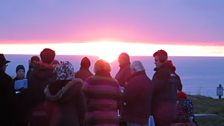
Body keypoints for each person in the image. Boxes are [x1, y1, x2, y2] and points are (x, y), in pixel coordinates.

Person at [44, 61, 86, 126]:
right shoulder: (76, 88)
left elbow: (47, 109)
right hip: (72, 122)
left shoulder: (50, 89)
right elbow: (82, 110)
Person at [83, 59, 122, 126]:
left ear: (96, 68)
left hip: (94, 120)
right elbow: (120, 102)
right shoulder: (115, 83)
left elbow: (83, 99)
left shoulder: (90, 81)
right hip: (111, 120)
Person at [28, 48, 57, 126]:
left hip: (35, 113)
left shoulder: (32, 74)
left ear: (41, 58)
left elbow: (30, 94)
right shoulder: (55, 75)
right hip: (51, 114)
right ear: (53, 59)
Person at [151, 49, 181, 126]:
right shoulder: (173, 74)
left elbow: (153, 89)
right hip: (173, 110)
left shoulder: (160, 74)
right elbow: (180, 87)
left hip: (161, 111)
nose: (155, 62)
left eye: (156, 60)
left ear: (162, 60)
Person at [123, 61, 152, 126]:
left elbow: (128, 98)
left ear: (134, 69)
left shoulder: (133, 81)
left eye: (131, 70)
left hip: (134, 117)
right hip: (145, 117)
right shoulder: (148, 81)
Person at [0, 53, 15, 126]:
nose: (6, 67)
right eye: (5, 65)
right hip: (4, 115)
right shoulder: (7, 79)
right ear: (2, 65)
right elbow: (11, 100)